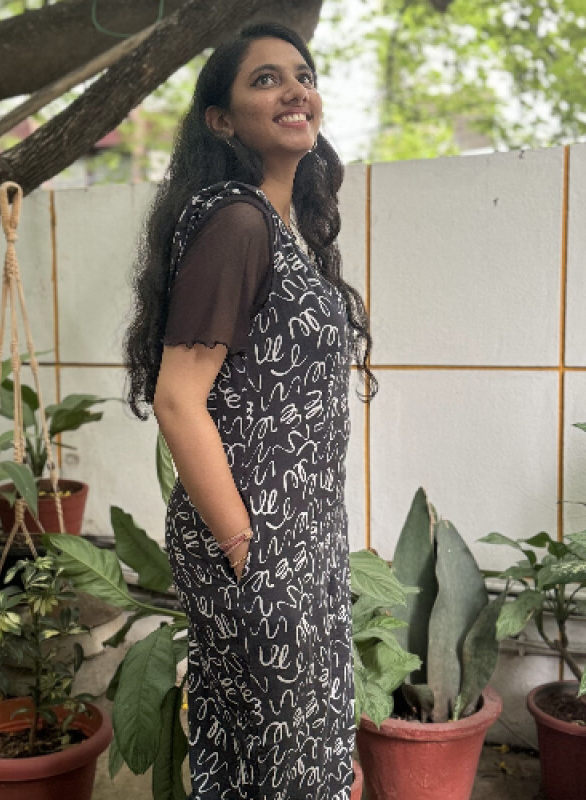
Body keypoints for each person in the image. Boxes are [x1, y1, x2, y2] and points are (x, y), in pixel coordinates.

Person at [124, 21, 376, 800]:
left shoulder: (277, 228)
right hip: (263, 549)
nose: (295, 90)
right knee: (286, 766)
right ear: (221, 120)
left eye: (303, 75)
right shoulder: (237, 222)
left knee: (269, 762)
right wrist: (249, 551)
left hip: (297, 544)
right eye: (266, 79)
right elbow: (177, 398)